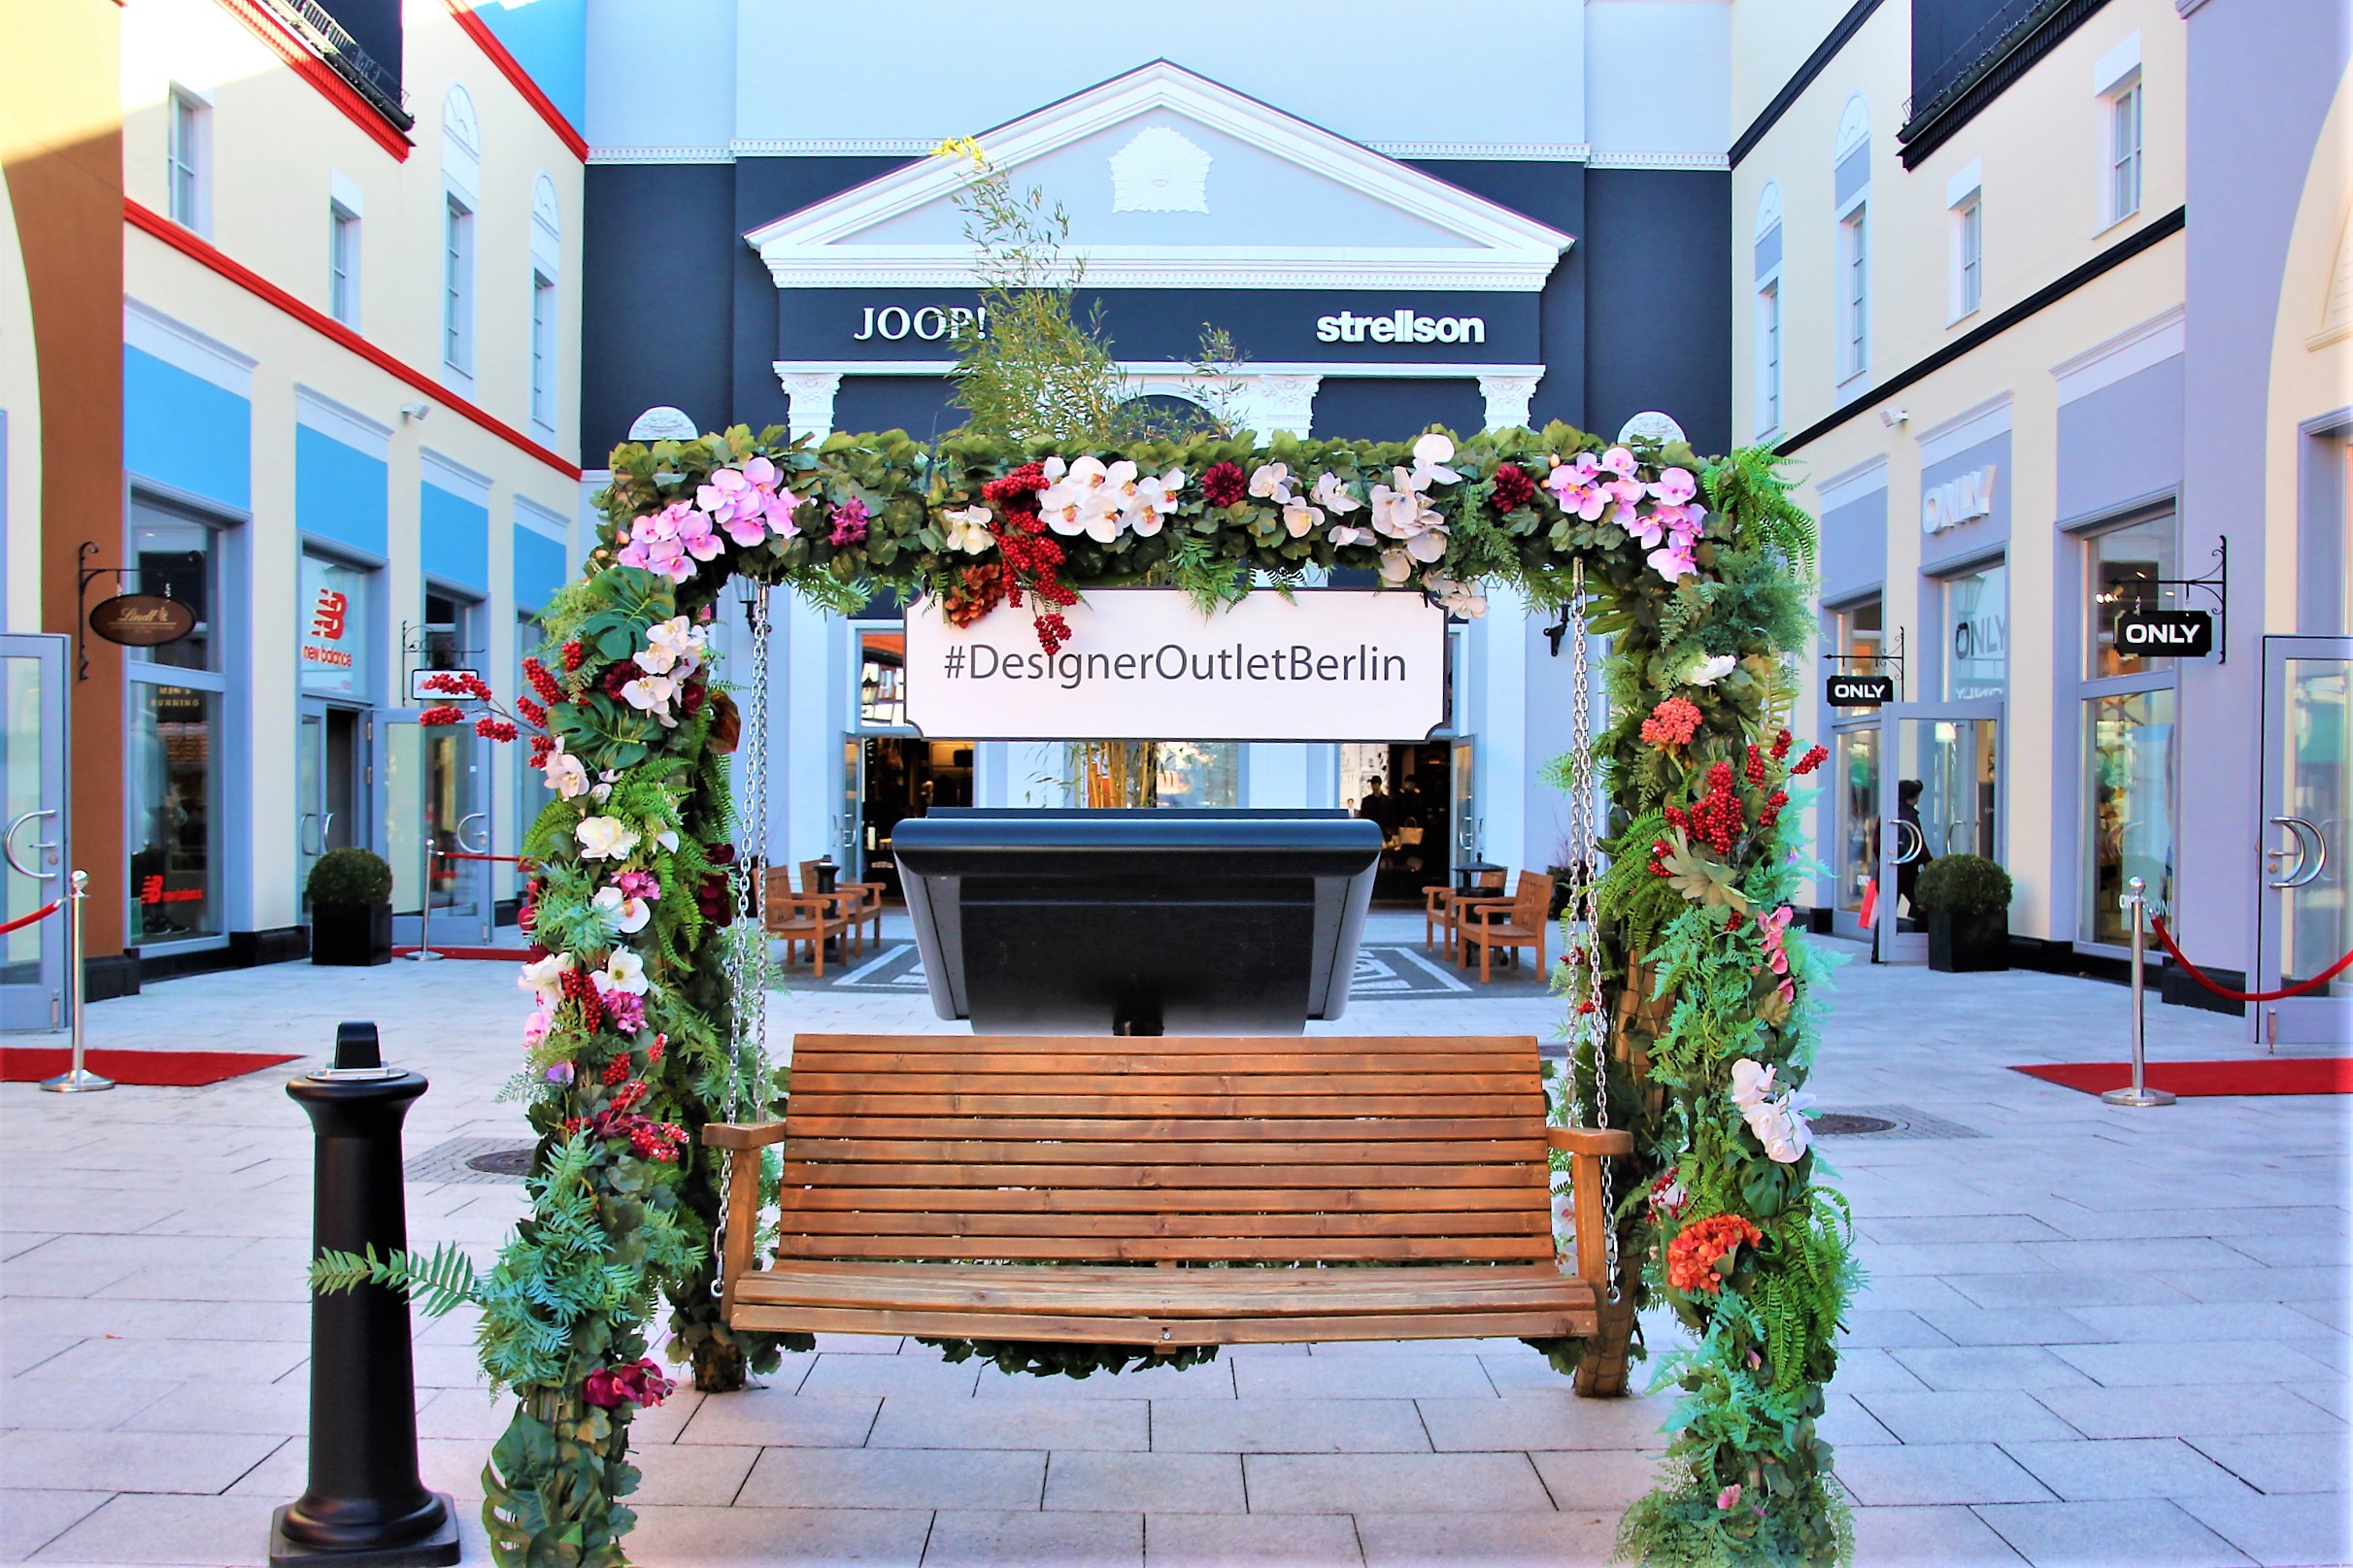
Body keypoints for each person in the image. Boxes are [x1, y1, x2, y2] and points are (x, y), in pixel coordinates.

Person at [1896, 778, 1931, 918]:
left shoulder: (1891, 812)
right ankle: (1913, 927)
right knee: (1921, 901)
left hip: (1893, 868)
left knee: (1887, 908)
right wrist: (1929, 863)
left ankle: (1882, 931)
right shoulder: (1910, 816)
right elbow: (1918, 842)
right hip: (1907, 869)